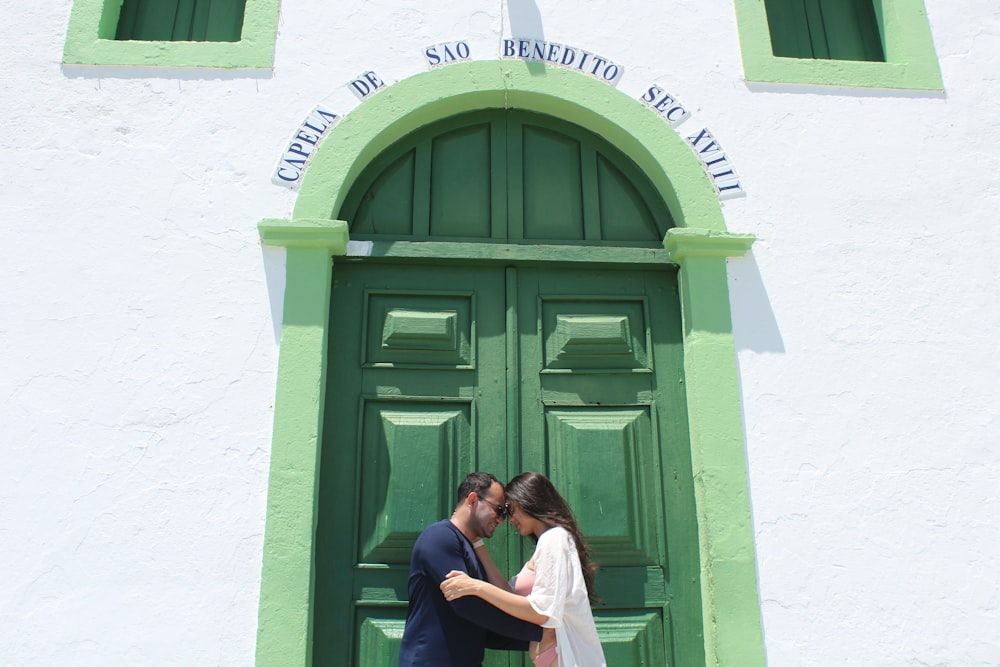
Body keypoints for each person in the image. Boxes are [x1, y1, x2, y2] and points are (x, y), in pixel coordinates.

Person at [440, 471, 606, 667]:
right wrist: (477, 543)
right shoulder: (548, 543)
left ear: (527, 500)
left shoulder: (555, 538)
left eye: (510, 510)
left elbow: (543, 612)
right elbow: (510, 596)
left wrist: (476, 587)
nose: (509, 519)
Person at [398, 472, 543, 666]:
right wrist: (540, 631)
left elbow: (483, 628)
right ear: (473, 499)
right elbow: (467, 604)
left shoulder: (467, 548)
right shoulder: (439, 537)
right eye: (499, 510)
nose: (501, 520)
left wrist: (544, 638)